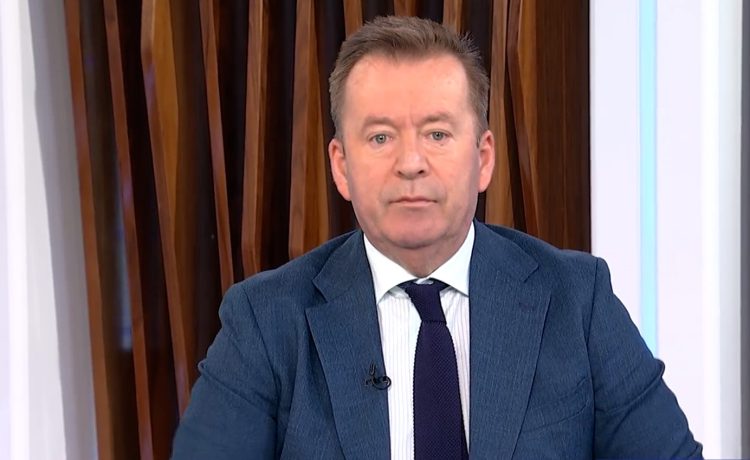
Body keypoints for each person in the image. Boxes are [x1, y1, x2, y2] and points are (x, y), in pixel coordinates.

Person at [171, 16, 701, 459]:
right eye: (381, 136)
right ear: (341, 166)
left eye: (437, 134)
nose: (411, 163)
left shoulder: (577, 300)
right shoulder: (266, 321)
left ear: (483, 158)